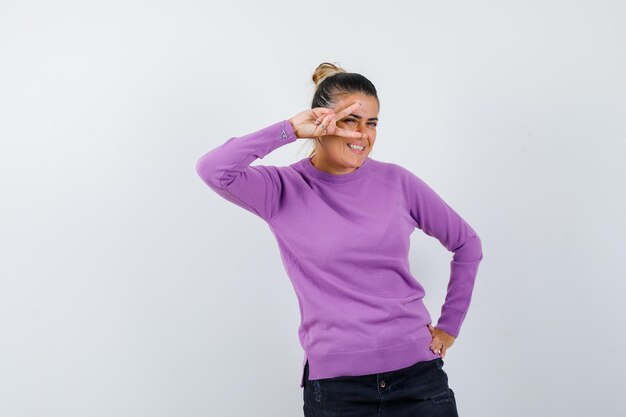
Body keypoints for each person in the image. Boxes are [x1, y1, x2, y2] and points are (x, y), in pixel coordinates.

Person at [195, 62, 483, 416]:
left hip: (418, 380)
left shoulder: (398, 183)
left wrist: (449, 327)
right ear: (321, 122)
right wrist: (289, 130)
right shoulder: (281, 190)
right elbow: (213, 170)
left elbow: (467, 243)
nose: (363, 135)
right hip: (337, 392)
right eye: (350, 120)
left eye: (372, 123)